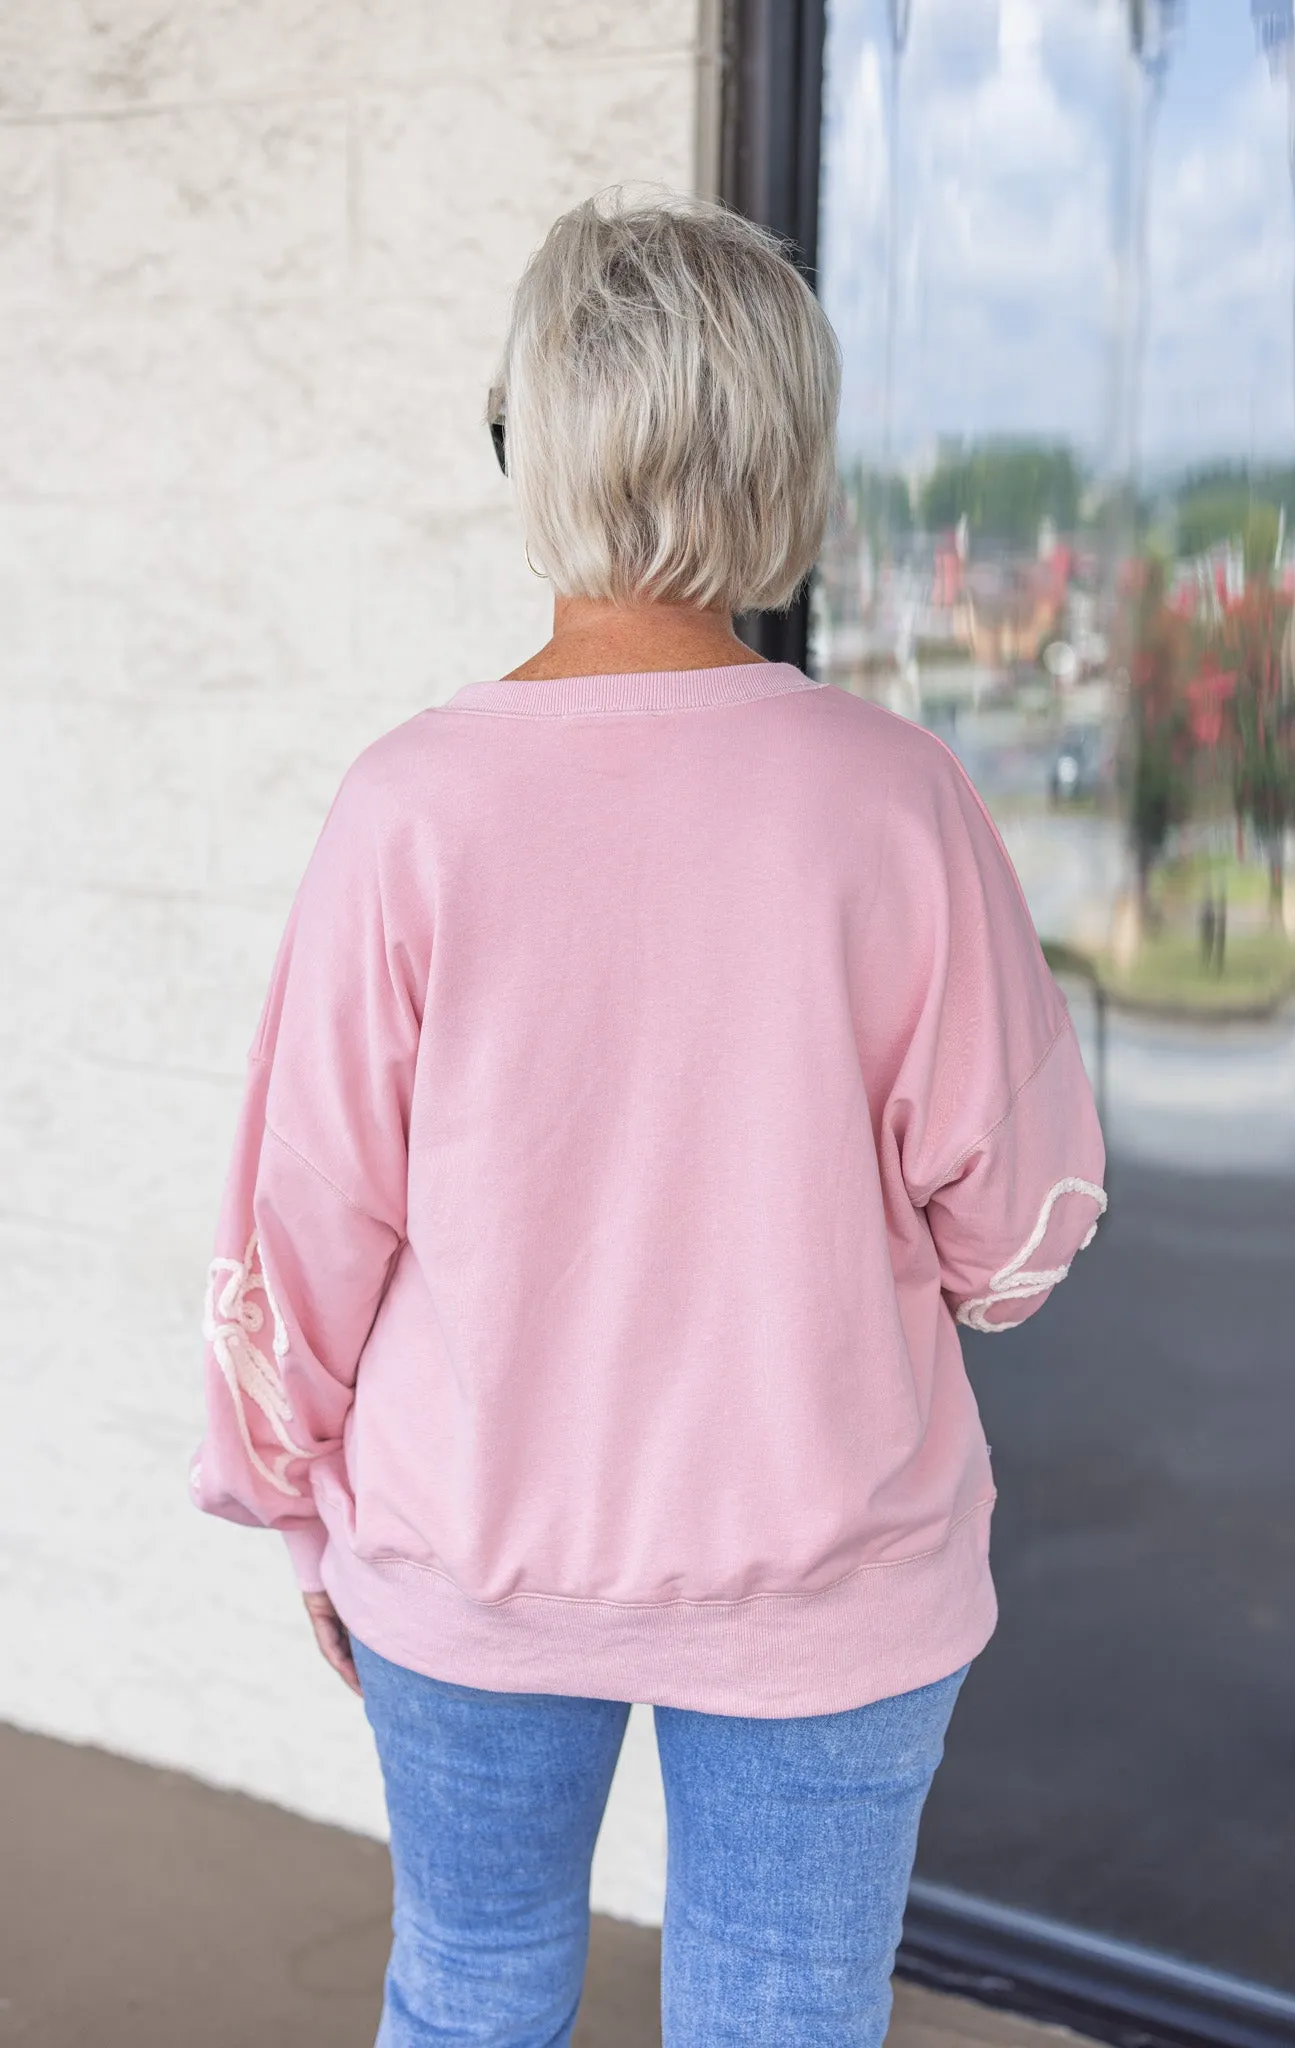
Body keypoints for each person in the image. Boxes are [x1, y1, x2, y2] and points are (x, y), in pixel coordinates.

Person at [190, 188, 1106, 2048]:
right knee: (783, 2020)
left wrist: (298, 1515)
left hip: (468, 1559)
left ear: (538, 446)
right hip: (831, 1568)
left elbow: (303, 1236)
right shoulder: (896, 802)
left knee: (466, 1992)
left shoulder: (409, 809)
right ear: (785, 459)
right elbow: (1013, 1233)